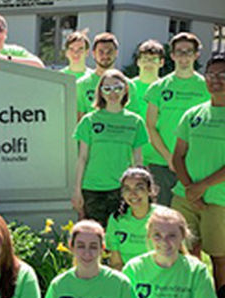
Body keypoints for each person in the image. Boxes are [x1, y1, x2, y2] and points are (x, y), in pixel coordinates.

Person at [171, 54, 225, 291]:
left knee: (218, 255)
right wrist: (190, 188)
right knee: (186, 254)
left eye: (222, 75)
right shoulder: (193, 115)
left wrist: (202, 187)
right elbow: (178, 156)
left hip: (218, 200)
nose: (216, 80)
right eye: (211, 75)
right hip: (184, 197)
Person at [71, 69, 147, 226]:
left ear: (125, 89)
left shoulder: (136, 122)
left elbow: (138, 160)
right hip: (92, 189)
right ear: (100, 92)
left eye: (117, 87)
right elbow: (82, 157)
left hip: (123, 190)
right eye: (107, 88)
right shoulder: (89, 120)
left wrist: (142, 189)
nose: (113, 93)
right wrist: (77, 190)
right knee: (96, 237)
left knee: (120, 235)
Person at [143, 32, 210, 206]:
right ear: (172, 55)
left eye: (189, 51)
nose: (184, 56)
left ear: (196, 55)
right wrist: (169, 158)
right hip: (161, 163)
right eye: (179, 51)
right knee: (160, 215)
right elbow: (150, 126)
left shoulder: (206, 87)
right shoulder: (157, 88)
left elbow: (210, 125)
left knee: (190, 215)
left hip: (194, 164)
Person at [107, 167, 160, 270]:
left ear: (150, 190)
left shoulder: (163, 217)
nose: (132, 194)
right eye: (127, 189)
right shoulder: (116, 219)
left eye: (138, 188)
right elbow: (116, 263)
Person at [76, 32, 139, 118]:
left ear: (116, 53)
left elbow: (133, 119)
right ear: (93, 54)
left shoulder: (128, 85)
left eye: (109, 51)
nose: (105, 55)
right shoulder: (81, 85)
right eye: (101, 52)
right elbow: (79, 119)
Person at [130, 40, 165, 162]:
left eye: (154, 59)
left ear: (161, 63)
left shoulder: (165, 88)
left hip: (157, 157)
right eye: (145, 59)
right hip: (130, 155)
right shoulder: (128, 87)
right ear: (138, 62)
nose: (148, 63)